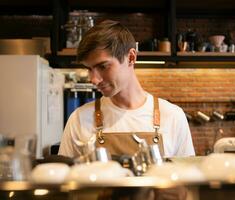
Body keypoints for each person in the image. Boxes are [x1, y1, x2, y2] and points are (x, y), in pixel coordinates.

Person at [58, 20, 195, 159]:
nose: (94, 79)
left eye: (103, 66)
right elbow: (64, 179)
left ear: (131, 57)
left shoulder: (173, 117)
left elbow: (187, 179)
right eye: (89, 68)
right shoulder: (80, 119)